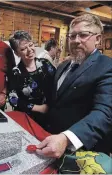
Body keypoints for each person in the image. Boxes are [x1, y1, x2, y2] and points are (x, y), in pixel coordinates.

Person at [35, 14, 112, 158]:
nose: (76, 40)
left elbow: (104, 112)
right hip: (53, 143)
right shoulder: (63, 66)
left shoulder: (107, 67)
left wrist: (67, 138)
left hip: (85, 152)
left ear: (98, 39)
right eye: (72, 36)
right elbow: (56, 103)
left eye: (83, 35)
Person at [7, 30, 56, 125]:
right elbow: (13, 99)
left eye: (31, 45)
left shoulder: (46, 64)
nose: (29, 50)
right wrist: (40, 108)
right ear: (17, 53)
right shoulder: (15, 72)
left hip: (50, 116)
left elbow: (57, 83)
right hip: (27, 118)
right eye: (23, 49)